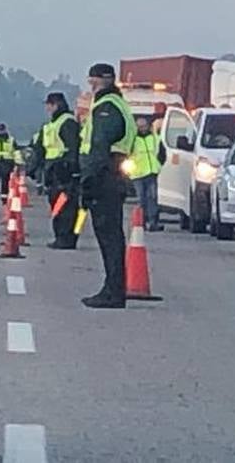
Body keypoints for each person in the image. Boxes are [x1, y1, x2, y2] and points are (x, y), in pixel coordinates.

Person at [78, 62, 136, 309]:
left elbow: (100, 147)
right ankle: (113, 288)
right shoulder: (117, 104)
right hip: (112, 174)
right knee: (111, 235)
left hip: (106, 176)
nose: (90, 84)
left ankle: (113, 291)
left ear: (99, 80)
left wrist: (89, 181)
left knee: (109, 236)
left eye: (92, 79)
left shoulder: (106, 107)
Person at [39, 92, 80, 250]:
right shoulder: (51, 125)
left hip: (64, 172)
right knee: (57, 206)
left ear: (55, 105)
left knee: (66, 208)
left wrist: (69, 169)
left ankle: (66, 238)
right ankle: (61, 237)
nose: (47, 108)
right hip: (53, 171)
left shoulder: (67, 122)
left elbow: (73, 147)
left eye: (48, 105)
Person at [126, 116, 166, 232]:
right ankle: (141, 223)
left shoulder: (154, 138)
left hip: (152, 172)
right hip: (138, 174)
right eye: (139, 127)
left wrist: (159, 164)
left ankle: (153, 222)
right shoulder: (132, 140)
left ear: (148, 126)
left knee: (152, 198)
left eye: (144, 126)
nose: (142, 129)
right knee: (141, 199)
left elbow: (161, 152)